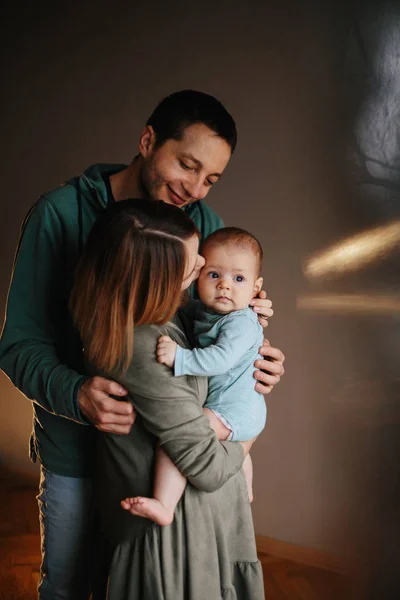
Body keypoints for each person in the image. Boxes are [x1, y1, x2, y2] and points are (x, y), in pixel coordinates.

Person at [0, 90, 284, 599]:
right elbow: (19, 346)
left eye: (211, 178)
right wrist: (77, 393)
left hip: (161, 457)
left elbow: (219, 327)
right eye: (187, 165)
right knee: (68, 584)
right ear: (149, 141)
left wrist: (255, 359)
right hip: (76, 453)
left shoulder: (205, 226)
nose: (196, 189)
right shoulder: (60, 215)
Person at [70, 198, 266, 599]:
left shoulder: (176, 317)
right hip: (176, 536)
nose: (200, 268)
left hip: (203, 520)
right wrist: (248, 440)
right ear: (157, 280)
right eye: (193, 264)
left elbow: (223, 361)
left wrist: (248, 335)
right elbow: (207, 466)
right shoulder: (143, 344)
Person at [122, 226, 266, 526]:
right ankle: (247, 490)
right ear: (198, 277)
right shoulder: (208, 312)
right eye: (214, 275)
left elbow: (221, 359)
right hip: (240, 408)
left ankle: (164, 503)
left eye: (238, 279)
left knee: (175, 441)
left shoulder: (240, 324)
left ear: (256, 289)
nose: (225, 286)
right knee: (237, 449)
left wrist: (180, 358)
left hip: (235, 410)